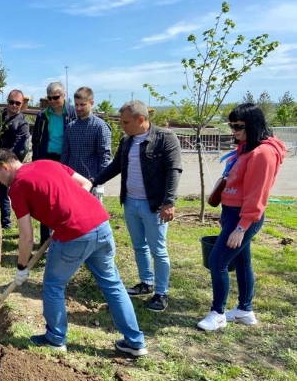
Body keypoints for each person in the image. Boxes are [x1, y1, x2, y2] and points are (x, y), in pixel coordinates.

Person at [0, 149, 148, 357]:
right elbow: (85, 184)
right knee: (112, 284)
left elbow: (27, 237)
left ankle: (55, 339)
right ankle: (135, 342)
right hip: (100, 224)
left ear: (5, 167)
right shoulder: (47, 163)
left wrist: (21, 267)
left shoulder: (17, 187)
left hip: (74, 234)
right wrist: (69, 209)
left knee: (53, 285)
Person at [197, 103, 286, 331]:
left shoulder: (262, 153)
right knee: (241, 261)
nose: (234, 131)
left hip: (243, 217)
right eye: (231, 125)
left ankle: (218, 313)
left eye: (238, 126)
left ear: (253, 124)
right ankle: (245, 310)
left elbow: (258, 193)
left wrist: (242, 226)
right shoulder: (247, 147)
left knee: (218, 262)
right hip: (232, 213)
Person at [93, 100, 182, 312]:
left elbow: (173, 170)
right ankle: (146, 283)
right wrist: (94, 181)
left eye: (125, 122)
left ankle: (161, 293)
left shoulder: (165, 138)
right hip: (131, 202)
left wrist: (169, 202)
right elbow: (116, 166)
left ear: (140, 119)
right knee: (139, 246)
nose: (123, 126)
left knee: (158, 250)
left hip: (154, 205)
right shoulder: (127, 141)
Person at [31, 81, 77, 244]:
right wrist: (35, 163)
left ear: (64, 96)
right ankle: (45, 239)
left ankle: (65, 236)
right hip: (46, 158)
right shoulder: (43, 115)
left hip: (66, 159)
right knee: (46, 197)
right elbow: (36, 140)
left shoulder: (73, 113)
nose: (52, 101)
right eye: (49, 98)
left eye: (56, 97)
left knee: (65, 197)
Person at [61, 86, 111, 203]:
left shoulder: (100, 127)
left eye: (82, 105)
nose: (78, 108)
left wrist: (100, 183)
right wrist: (63, 176)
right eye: (76, 104)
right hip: (72, 180)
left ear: (91, 103)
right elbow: (65, 154)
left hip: (92, 182)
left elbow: (104, 156)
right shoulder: (71, 127)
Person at [0, 89, 30, 228]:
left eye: (17, 103)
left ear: (21, 104)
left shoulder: (22, 124)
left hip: (11, 164)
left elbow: (17, 146)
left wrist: (5, 162)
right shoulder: (0, 116)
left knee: (15, 194)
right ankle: (6, 223)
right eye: (11, 102)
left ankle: (21, 223)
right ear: (7, 101)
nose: (14, 105)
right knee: (1, 193)